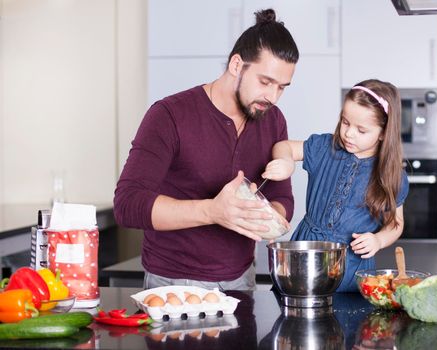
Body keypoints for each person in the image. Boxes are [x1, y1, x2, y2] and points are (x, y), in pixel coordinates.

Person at [114, 9, 299, 291]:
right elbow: (127, 205)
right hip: (174, 284)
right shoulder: (169, 115)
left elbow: (282, 197)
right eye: (265, 82)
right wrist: (212, 211)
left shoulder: (273, 121)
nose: (272, 97)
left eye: (282, 88)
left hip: (242, 279)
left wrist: (268, 216)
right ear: (237, 65)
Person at [262, 79, 409, 292]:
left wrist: (378, 240)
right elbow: (284, 146)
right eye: (345, 122)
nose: (349, 133)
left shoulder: (392, 175)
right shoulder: (325, 148)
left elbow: (395, 223)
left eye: (361, 130)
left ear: (383, 133)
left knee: (348, 322)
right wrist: (285, 162)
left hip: (352, 272)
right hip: (305, 256)